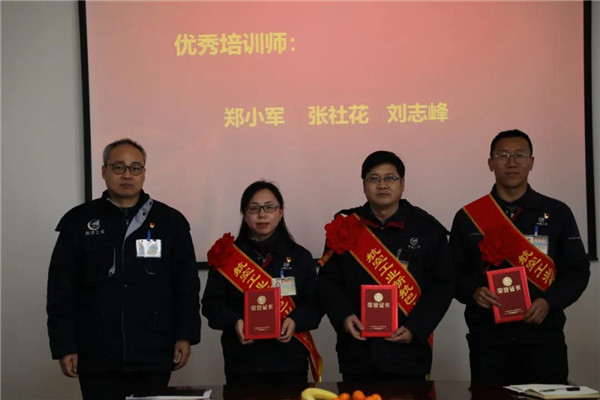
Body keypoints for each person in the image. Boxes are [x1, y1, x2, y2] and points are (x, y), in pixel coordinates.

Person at [47, 138, 201, 399]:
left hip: (154, 352)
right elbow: (61, 290)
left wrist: (185, 336)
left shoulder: (170, 222)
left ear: (144, 173)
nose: (127, 175)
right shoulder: (79, 221)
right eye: (118, 167)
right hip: (96, 354)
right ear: (104, 171)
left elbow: (186, 285)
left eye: (135, 168)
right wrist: (64, 345)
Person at [449, 129, 590, 384]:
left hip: (543, 336)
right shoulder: (468, 217)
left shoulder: (557, 212)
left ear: (531, 162)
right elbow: (452, 272)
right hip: (488, 339)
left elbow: (577, 271)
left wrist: (549, 302)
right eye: (503, 155)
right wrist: (473, 291)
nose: (512, 162)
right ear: (490, 163)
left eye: (520, 155)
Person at [318, 150, 453, 382]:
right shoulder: (345, 226)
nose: (382, 185)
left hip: (408, 350)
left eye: (390, 178)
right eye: (374, 178)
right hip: (358, 350)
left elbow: (443, 285)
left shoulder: (427, 230)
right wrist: (343, 315)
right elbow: (327, 281)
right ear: (364, 185)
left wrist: (416, 328)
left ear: (402, 184)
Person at [202, 181, 322, 385]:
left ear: (280, 212)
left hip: (289, 361)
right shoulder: (228, 257)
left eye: (270, 207)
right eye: (254, 208)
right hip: (242, 362)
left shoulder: (300, 257)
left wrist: (295, 321)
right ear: (244, 213)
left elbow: (315, 303)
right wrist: (235, 322)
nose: (262, 214)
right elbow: (211, 305)